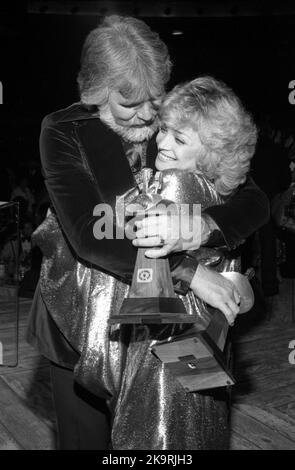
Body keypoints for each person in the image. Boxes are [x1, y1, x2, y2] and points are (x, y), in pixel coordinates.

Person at [27, 16, 269, 450]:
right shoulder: (64, 130)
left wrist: (203, 226)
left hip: (170, 334)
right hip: (81, 323)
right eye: (129, 103)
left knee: (167, 444)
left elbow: (251, 199)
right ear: (97, 92)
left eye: (154, 101)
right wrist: (192, 272)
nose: (146, 115)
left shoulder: (169, 120)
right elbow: (89, 235)